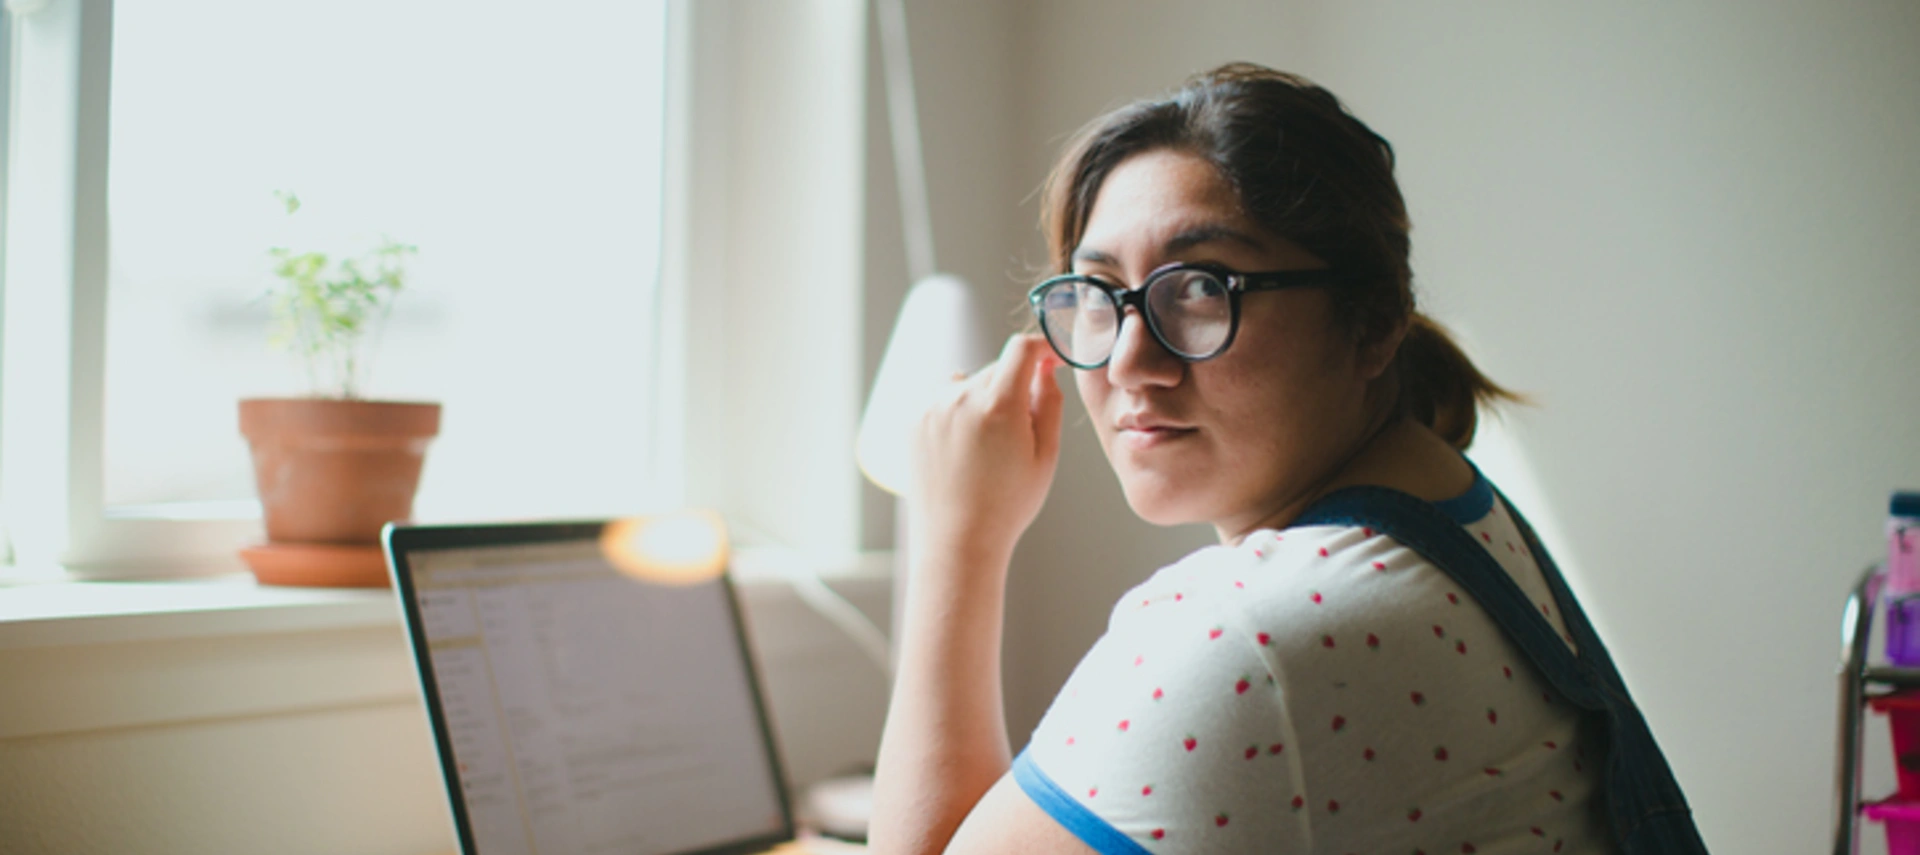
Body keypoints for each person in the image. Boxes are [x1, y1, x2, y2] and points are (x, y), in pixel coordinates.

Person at [868, 63, 1706, 855]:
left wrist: (959, 534)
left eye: (1200, 287)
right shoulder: (1453, 510)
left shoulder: (1244, 636)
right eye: (1100, 294)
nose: (1129, 359)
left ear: (1373, 323)